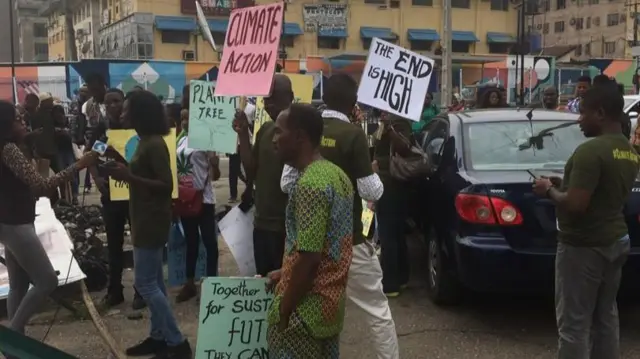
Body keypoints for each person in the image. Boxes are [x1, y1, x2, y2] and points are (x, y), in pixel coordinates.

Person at [281, 74, 400, 359]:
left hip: (308, 241)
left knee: (312, 308)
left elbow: (286, 183)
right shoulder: (353, 135)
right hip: (351, 241)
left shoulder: (307, 130)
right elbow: (371, 190)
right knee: (376, 309)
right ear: (353, 101)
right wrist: (374, 171)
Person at [532, 82, 639, 359]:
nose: (579, 120)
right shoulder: (628, 150)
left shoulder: (590, 151)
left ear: (600, 113)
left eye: (584, 113)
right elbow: (601, 190)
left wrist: (549, 190)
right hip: (615, 241)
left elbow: (577, 205)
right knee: (606, 316)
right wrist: (566, 182)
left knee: (574, 323)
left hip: (583, 247)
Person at [105, 90, 192, 359]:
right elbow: (140, 173)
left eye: (127, 108)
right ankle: (159, 337)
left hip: (151, 220)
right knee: (154, 281)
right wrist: (120, 164)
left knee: (145, 284)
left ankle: (177, 343)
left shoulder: (154, 144)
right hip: (144, 216)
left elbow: (166, 185)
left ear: (140, 113)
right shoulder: (144, 141)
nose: (121, 112)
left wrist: (128, 177)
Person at [0, 100, 97, 337]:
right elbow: (42, 186)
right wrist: (78, 166)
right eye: (17, 118)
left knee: (18, 286)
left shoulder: (9, 147)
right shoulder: (9, 149)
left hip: (8, 222)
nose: (23, 121)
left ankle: (16, 344)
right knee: (46, 282)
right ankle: (13, 337)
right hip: (17, 225)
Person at [266, 103, 354, 359]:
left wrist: (285, 310)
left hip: (303, 316)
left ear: (299, 137)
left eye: (279, 132)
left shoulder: (310, 185)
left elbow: (310, 259)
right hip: (329, 311)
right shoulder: (337, 175)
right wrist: (285, 271)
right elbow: (329, 246)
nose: (274, 139)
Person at [233, 74, 293, 277]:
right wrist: (242, 134)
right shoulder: (265, 130)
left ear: (291, 97)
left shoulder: (301, 134)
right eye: (266, 99)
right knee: (264, 281)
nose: (269, 104)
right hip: (262, 223)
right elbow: (252, 168)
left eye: (274, 98)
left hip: (287, 225)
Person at [175, 105, 219, 303]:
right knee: (190, 241)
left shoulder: (207, 141)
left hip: (204, 199)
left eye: (189, 118)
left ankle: (211, 285)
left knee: (210, 242)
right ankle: (190, 282)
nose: (185, 121)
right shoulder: (181, 140)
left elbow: (215, 175)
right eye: (183, 118)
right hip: (186, 198)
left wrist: (215, 163)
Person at [373, 113, 413, 297]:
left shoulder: (400, 123)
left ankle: (390, 284)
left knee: (390, 233)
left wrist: (390, 129)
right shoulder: (384, 122)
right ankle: (402, 277)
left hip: (394, 183)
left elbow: (404, 148)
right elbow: (378, 148)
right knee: (394, 232)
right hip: (385, 181)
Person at [52, 105, 78, 203]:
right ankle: (64, 197)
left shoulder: (68, 122)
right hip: (59, 151)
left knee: (72, 173)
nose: (59, 116)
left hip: (68, 150)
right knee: (62, 174)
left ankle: (74, 196)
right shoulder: (51, 125)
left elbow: (72, 135)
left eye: (61, 113)